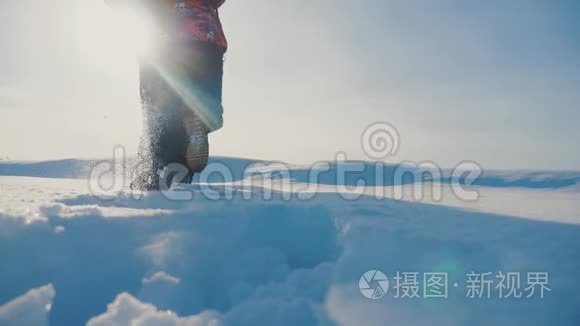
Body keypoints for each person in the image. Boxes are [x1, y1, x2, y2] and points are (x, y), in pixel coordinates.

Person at [106, 0, 227, 190]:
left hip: (164, 45)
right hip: (207, 40)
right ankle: (200, 120)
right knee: (198, 113)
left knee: (162, 120)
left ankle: (160, 184)